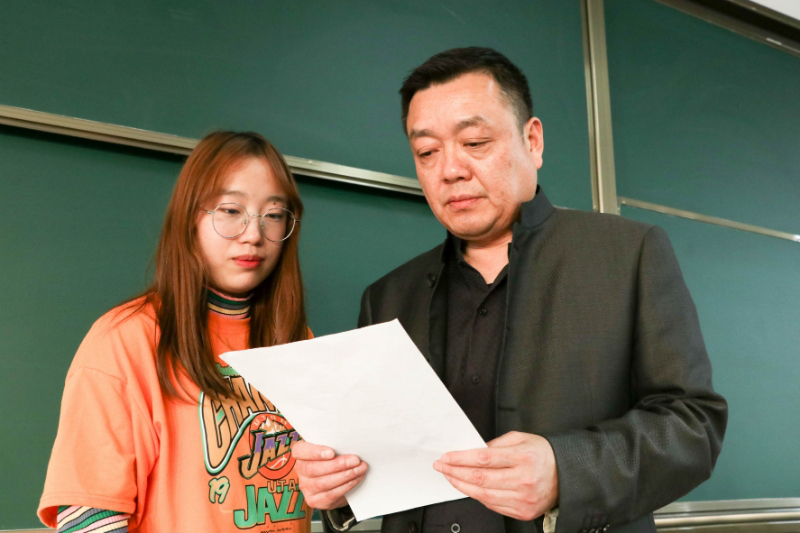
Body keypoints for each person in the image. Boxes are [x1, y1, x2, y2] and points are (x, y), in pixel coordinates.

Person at [293, 47, 728, 533]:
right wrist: (337, 490)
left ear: (532, 141)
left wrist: (564, 472)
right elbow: (377, 456)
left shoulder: (627, 254)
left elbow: (693, 426)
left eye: (474, 142)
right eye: (427, 152)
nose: (450, 169)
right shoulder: (388, 296)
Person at [38, 131, 312, 532]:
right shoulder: (125, 340)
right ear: (189, 218)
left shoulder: (298, 339)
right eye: (230, 210)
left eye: (273, 214)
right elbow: (87, 516)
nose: (254, 234)